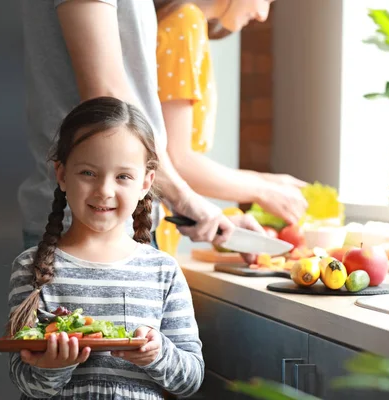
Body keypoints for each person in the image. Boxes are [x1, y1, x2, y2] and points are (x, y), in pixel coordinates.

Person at [18, 0, 262, 256]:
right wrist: (183, 198)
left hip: (122, 226)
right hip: (86, 232)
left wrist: (191, 204)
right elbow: (107, 99)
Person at [7, 97, 204, 399]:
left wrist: (157, 353)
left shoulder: (162, 271)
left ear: (145, 182)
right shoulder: (30, 267)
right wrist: (52, 367)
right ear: (61, 175)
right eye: (88, 173)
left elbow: (190, 380)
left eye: (123, 176)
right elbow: (24, 380)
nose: (104, 191)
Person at [153, 0, 308, 225]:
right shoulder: (185, 22)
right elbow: (177, 161)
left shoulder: (184, 20)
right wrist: (264, 191)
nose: (262, 15)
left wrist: (267, 181)